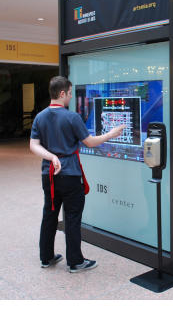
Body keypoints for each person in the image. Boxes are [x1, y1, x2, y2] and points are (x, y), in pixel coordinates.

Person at [30, 76, 125, 273]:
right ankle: (75, 262)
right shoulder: (71, 117)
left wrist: (52, 157)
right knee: (72, 217)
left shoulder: (40, 117)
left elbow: (33, 145)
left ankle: (46, 257)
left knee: (49, 214)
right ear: (62, 93)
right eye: (71, 93)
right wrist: (111, 134)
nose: (72, 97)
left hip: (49, 175)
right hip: (70, 175)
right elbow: (89, 142)